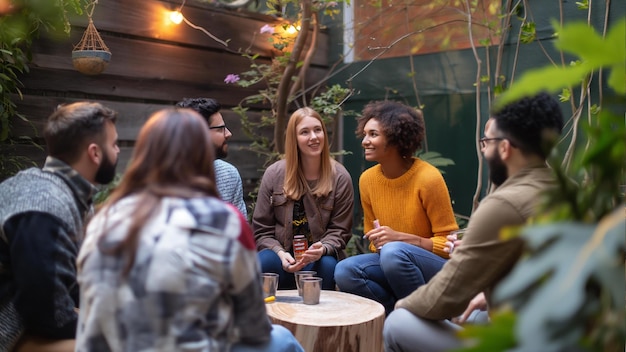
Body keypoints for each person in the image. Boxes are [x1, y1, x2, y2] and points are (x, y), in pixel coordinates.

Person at [75, 108, 303, 352]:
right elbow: (252, 326)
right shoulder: (223, 219)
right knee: (281, 338)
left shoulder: (105, 218)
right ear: (203, 155)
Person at [383, 92, 565, 352]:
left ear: (504, 148)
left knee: (399, 322)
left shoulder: (504, 204)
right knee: (478, 313)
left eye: (487, 141)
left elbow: (445, 298)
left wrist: (402, 306)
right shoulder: (572, 192)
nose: (484, 149)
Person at [0, 102, 119, 351]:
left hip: (30, 316)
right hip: (11, 328)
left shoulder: (68, 194)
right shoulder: (44, 204)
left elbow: (69, 283)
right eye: (114, 144)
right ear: (95, 153)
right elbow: (45, 310)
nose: (118, 151)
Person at [334, 100, 458, 315]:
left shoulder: (428, 178)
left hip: (435, 267)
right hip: (393, 261)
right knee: (345, 270)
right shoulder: (367, 180)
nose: (365, 141)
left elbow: (449, 245)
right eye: (364, 134)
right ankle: (394, 318)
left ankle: (426, 317)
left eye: (373, 134)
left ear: (395, 137)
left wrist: (403, 240)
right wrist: (381, 242)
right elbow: (373, 239)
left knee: (394, 252)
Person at [253, 107, 354, 290]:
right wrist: (280, 252)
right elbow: (262, 231)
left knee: (328, 265)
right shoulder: (274, 174)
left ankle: (320, 317)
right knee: (264, 261)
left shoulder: (340, 177)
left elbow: (341, 231)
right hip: (282, 257)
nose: (314, 137)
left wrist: (321, 249)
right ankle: (270, 316)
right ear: (294, 139)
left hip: (317, 259)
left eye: (318, 130)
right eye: (304, 132)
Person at [176, 97, 248, 218]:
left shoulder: (228, 174)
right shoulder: (163, 178)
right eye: (220, 129)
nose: (228, 134)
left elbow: (240, 229)